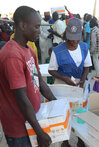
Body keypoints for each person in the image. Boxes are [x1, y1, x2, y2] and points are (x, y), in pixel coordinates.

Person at [0, 6, 57, 147]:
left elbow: (40, 81)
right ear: (23, 25)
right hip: (19, 128)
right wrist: (40, 132)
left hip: (31, 121)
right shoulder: (12, 55)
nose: (39, 31)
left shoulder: (29, 49)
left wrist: (57, 103)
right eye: (36, 27)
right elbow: (21, 97)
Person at [48, 18, 92, 88]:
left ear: (82, 34)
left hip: (80, 84)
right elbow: (51, 70)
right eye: (71, 38)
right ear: (66, 35)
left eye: (77, 38)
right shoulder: (57, 51)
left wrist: (82, 81)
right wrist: (64, 78)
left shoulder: (84, 48)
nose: (74, 41)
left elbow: (86, 67)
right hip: (63, 85)